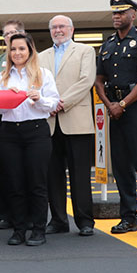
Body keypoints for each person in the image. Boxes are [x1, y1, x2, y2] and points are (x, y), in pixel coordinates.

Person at [94, 0, 137, 237]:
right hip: (115, 111)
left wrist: (122, 103)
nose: (117, 16)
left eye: (121, 12)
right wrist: (110, 104)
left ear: (133, 15)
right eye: (114, 12)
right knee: (121, 167)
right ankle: (128, 217)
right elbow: (99, 80)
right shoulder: (107, 45)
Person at [0, 33, 59, 246]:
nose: (17, 53)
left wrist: (38, 99)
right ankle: (19, 230)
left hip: (36, 131)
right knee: (15, 183)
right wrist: (7, 97)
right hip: (9, 133)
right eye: (13, 49)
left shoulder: (43, 74)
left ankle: (38, 230)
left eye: (22, 48)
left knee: (37, 183)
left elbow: (53, 104)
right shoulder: (2, 77)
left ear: (30, 50)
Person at [38, 15, 97, 237]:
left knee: (80, 174)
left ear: (72, 29)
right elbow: (36, 83)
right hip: (49, 122)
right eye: (53, 27)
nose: (58, 30)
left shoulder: (85, 51)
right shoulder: (41, 56)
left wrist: (60, 103)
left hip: (76, 121)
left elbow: (86, 80)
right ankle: (58, 220)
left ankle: (85, 221)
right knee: (53, 175)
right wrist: (48, 105)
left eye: (62, 26)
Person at [0, 20, 24, 230]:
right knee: (6, 168)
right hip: (0, 119)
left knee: (24, 170)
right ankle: (6, 215)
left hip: (23, 119)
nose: (10, 36)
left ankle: (26, 215)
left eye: (14, 33)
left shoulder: (31, 60)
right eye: (7, 34)